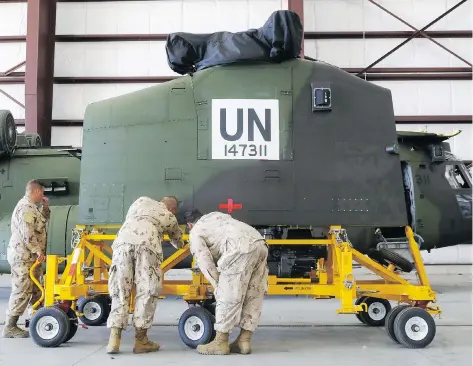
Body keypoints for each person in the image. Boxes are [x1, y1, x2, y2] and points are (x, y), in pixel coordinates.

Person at [106, 196, 185, 354]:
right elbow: (178, 241)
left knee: (120, 289)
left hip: (122, 244)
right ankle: (141, 340)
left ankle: (114, 340)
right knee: (146, 291)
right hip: (147, 246)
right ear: (173, 209)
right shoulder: (169, 216)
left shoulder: (140, 201)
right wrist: (182, 242)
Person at [184, 210, 269, 355]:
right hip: (259, 242)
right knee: (253, 293)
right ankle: (244, 340)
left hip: (238, 247)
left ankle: (220, 342)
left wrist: (218, 284)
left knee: (228, 294)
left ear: (189, 224)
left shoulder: (196, 231)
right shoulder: (217, 216)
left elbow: (205, 262)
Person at [3, 180, 49, 338]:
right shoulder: (25, 207)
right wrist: (37, 251)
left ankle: (37, 319)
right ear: (37, 192)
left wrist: (46, 208)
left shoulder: (33, 207)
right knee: (22, 289)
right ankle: (10, 326)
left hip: (31, 258)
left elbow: (40, 225)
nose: (43, 195)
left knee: (37, 290)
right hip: (23, 256)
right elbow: (27, 233)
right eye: (42, 192)